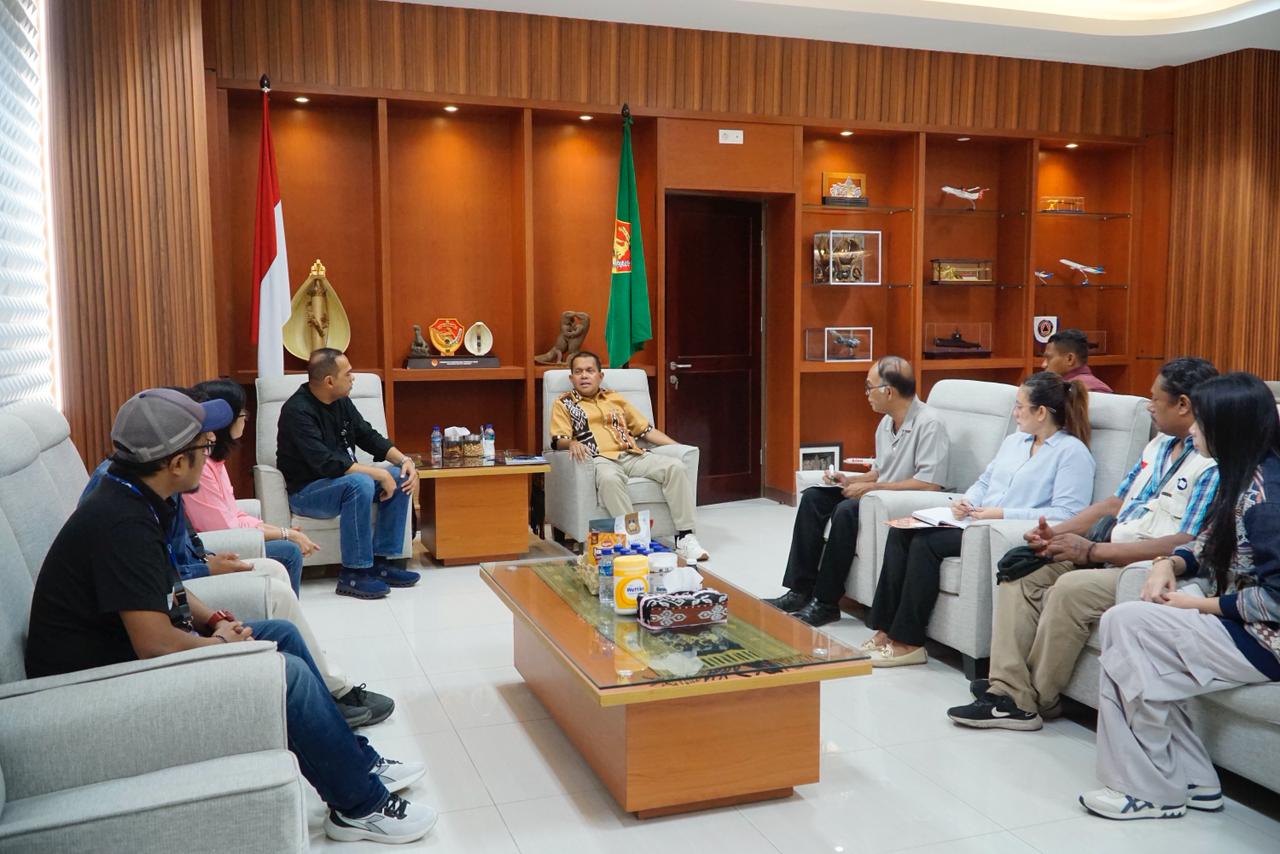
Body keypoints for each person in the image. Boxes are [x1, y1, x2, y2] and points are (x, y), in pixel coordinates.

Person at [25, 389, 437, 844]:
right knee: (286, 674)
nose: (212, 452)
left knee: (281, 634)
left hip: (126, 653)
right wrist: (220, 646)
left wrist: (216, 620)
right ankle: (360, 806)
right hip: (95, 689)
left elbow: (164, 586)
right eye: (204, 446)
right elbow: (154, 643)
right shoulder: (121, 522)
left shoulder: (139, 496)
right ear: (176, 463)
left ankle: (354, 763)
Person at [947, 358, 1220, 730]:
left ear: (1184, 405)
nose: (1149, 406)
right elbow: (1114, 504)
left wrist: (1092, 552)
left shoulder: (1210, 462)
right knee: (1020, 569)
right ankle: (1008, 689)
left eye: (1156, 399)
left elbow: (1185, 541)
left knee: (1069, 588)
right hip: (1107, 549)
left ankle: (1030, 701)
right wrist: (1056, 535)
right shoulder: (1157, 446)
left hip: (1145, 567)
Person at [1078, 372, 1280, 821]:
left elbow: (1277, 601)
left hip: (1266, 641)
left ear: (1227, 426)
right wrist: (1167, 564)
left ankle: (1149, 790)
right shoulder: (1241, 475)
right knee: (1134, 638)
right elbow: (1207, 543)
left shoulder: (1267, 500)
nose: (1192, 431)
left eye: (1200, 423)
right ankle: (1192, 780)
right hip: (1241, 624)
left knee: (1127, 626)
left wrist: (1199, 605)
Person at [865, 372, 1096, 667]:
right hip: (976, 520)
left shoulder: (1072, 453)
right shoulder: (1015, 441)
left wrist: (1001, 514)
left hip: (1004, 529)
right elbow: (985, 481)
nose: (1014, 413)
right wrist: (968, 501)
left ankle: (908, 642)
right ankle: (884, 631)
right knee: (902, 531)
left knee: (926, 544)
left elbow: (1068, 515)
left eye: (1020, 407)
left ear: (1041, 412)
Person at [765, 356, 951, 627]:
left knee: (847, 510)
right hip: (881, 492)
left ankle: (826, 602)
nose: (866, 394)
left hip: (906, 501)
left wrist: (872, 488)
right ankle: (800, 590)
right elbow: (880, 471)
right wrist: (849, 480)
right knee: (814, 498)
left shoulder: (930, 423)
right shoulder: (886, 423)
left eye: (869, 387)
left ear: (889, 391)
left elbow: (929, 484)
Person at [276, 348, 420, 600]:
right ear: (329, 381)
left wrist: (404, 460)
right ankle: (354, 573)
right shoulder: (297, 411)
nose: (353, 378)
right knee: (360, 482)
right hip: (308, 492)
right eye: (348, 373)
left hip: (343, 482)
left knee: (399, 475)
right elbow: (326, 463)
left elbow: (368, 436)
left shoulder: (341, 401)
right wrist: (378, 475)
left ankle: (381, 562)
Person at [549, 350, 708, 563]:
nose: (584, 376)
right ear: (571, 378)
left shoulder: (615, 398)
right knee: (610, 480)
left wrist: (679, 447)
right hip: (599, 459)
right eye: (578, 372)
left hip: (631, 454)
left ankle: (685, 537)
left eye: (589, 370)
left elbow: (645, 431)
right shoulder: (564, 403)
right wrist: (572, 443)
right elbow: (558, 440)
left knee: (675, 467)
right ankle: (636, 541)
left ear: (600, 376)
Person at [181, 380, 318, 594]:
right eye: (241, 412)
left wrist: (283, 531)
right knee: (288, 551)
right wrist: (285, 534)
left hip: (226, 538)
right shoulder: (202, 465)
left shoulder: (214, 460)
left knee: (287, 544)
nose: (245, 417)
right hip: (212, 548)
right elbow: (225, 529)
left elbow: (234, 514)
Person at [1042, 328, 1113, 393]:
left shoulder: (1092, 392)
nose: (1043, 365)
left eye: (1049, 358)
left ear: (1070, 359)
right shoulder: (1062, 388)